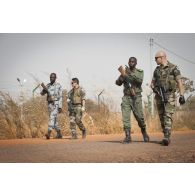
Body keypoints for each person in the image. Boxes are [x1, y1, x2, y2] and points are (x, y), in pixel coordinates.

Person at [151, 51, 185, 146]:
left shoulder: (173, 68)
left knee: (167, 115)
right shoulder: (156, 70)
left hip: (170, 96)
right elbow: (152, 83)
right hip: (159, 97)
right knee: (162, 117)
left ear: (162, 57)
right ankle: (166, 136)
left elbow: (179, 82)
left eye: (156, 58)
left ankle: (167, 137)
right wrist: (154, 88)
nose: (155, 60)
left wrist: (181, 95)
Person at [116, 57, 149, 144]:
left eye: (133, 61)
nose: (131, 63)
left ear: (136, 63)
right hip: (126, 97)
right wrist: (121, 78)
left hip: (136, 97)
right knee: (125, 117)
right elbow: (117, 83)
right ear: (128, 62)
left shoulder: (139, 72)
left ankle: (144, 131)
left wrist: (128, 75)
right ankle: (128, 136)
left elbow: (139, 81)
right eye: (130, 61)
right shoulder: (124, 72)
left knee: (139, 117)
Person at [40, 73, 63, 139]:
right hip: (49, 104)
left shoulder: (58, 86)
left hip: (55, 103)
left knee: (52, 118)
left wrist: (60, 106)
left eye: (53, 77)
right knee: (54, 121)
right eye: (50, 77)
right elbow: (42, 94)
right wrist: (44, 90)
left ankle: (49, 132)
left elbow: (61, 97)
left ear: (55, 78)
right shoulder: (48, 85)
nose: (51, 78)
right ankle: (59, 134)